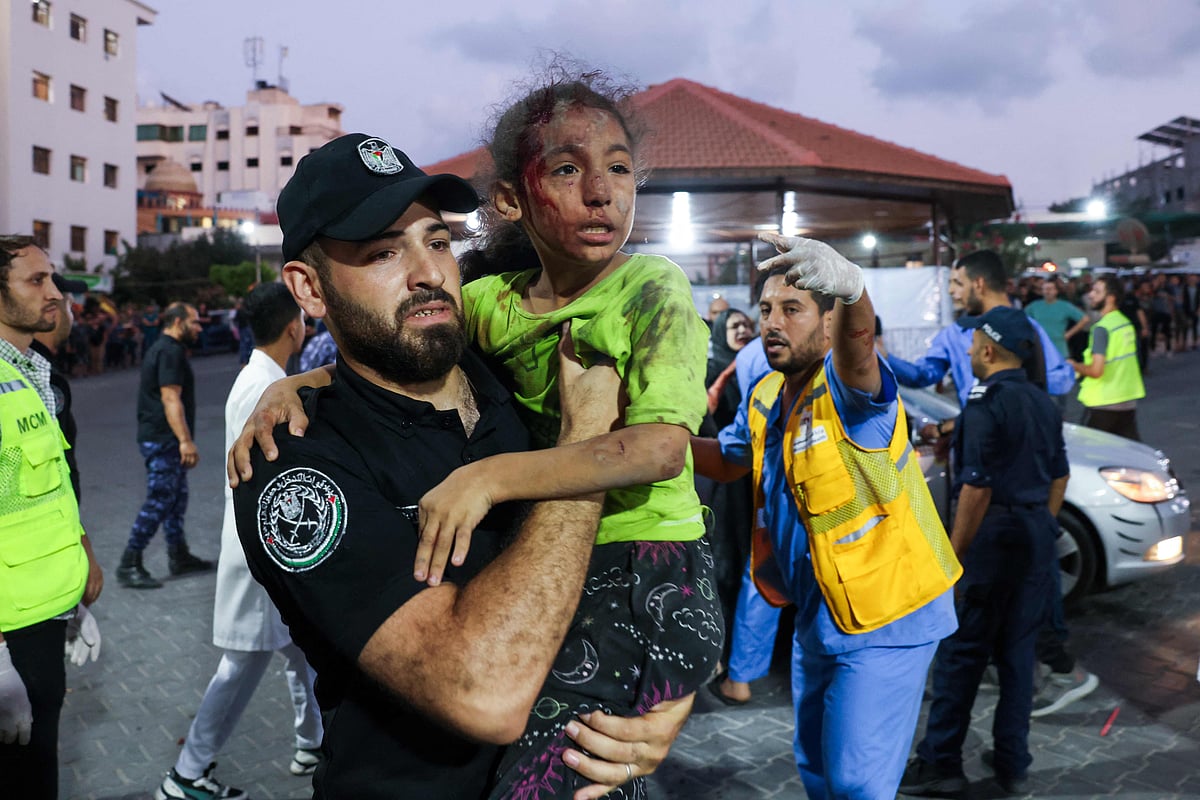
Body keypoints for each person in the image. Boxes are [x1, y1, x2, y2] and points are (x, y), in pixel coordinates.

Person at [243, 73, 722, 799]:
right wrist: (585, 432)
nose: (429, 273)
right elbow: (487, 694)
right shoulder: (298, 463)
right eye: (381, 254)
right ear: (309, 291)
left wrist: (656, 692)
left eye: (436, 240)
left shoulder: (501, 363)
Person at [692, 238, 961, 799]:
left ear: (829, 320)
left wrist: (854, 288)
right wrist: (645, 437)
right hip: (821, 609)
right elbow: (727, 458)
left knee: (857, 781)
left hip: (888, 614)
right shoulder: (766, 391)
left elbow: (860, 354)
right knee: (814, 763)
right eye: (766, 309)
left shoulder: (850, 390)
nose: (772, 322)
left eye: (792, 309)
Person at [155, 284, 322, 800]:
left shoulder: (264, 377)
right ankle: (187, 773)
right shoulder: (262, 387)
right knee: (239, 668)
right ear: (293, 327)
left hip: (264, 553)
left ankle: (311, 742)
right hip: (258, 557)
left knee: (300, 652)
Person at [899, 306, 1070, 797]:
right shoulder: (1042, 402)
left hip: (993, 544)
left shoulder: (983, 404)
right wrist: (1043, 521)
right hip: (1035, 540)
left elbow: (976, 490)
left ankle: (941, 764)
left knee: (962, 654)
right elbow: (1060, 475)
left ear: (989, 350)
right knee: (1018, 657)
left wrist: (952, 559)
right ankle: (1013, 760)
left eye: (973, 345)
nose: (969, 352)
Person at [0, 236, 103, 800]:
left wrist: (78, 565)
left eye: (52, 278)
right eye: (36, 281)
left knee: (38, 769)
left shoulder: (28, 371)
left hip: (40, 614)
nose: (55, 294)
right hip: (7, 629)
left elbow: (48, 487)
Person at [886, 250, 1074, 416]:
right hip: (978, 437)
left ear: (978, 284)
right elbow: (922, 375)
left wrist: (1014, 385)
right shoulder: (955, 333)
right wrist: (882, 356)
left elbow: (1061, 380)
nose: (951, 291)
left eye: (957, 283)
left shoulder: (1028, 327)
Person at [116, 302, 214, 589]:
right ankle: (129, 562)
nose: (199, 328)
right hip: (163, 439)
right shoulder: (169, 351)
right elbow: (170, 398)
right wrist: (185, 440)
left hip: (163, 437)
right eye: (194, 322)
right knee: (160, 499)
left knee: (175, 498)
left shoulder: (164, 348)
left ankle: (178, 555)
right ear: (178, 322)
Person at [31, 273, 90, 502]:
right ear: (53, 311)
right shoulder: (43, 377)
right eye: (69, 305)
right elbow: (57, 461)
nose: (72, 315)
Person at [1068, 274, 1145, 441]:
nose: (1090, 295)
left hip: (1103, 402)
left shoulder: (1101, 328)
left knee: (1089, 455)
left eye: (1096, 291)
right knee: (1131, 456)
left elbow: (1096, 371)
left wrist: (1074, 365)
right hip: (1127, 400)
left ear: (1110, 298)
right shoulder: (1125, 323)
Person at [1023, 276, 1089, 360]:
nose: (1047, 291)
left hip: (1059, 347)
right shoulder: (1034, 306)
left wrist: (1069, 334)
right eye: (1045, 289)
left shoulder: (1064, 306)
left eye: (1050, 289)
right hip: (1040, 347)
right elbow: (1022, 318)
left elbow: (1084, 319)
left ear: (1056, 291)